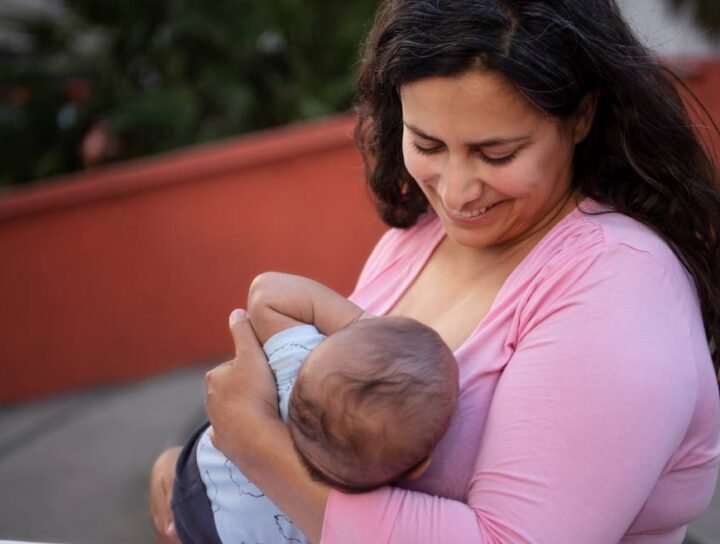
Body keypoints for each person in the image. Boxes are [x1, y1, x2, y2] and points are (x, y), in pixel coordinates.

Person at [151, 1, 720, 542]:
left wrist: (255, 446)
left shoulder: (617, 289)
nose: (455, 191)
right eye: (427, 143)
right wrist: (204, 483)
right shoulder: (420, 236)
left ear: (582, 116)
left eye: (496, 154)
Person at [169, 272, 458, 544]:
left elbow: (267, 291)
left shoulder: (297, 358)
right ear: (419, 467)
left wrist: (361, 321)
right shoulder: (370, 500)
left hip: (202, 473)